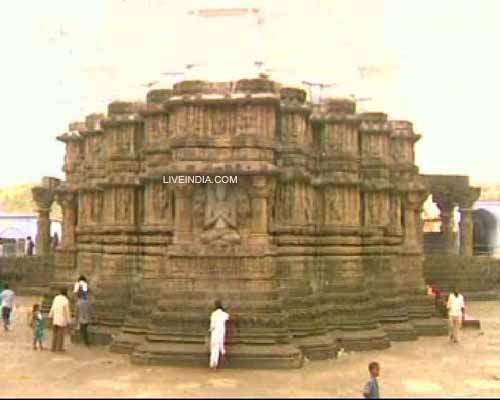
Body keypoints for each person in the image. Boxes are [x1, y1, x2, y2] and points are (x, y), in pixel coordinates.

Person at [209, 300, 230, 369]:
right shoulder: (224, 314)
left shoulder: (213, 314)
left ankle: (213, 363)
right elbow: (228, 317)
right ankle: (222, 358)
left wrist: (209, 330)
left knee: (214, 348)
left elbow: (212, 326)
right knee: (220, 346)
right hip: (221, 333)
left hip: (214, 333)